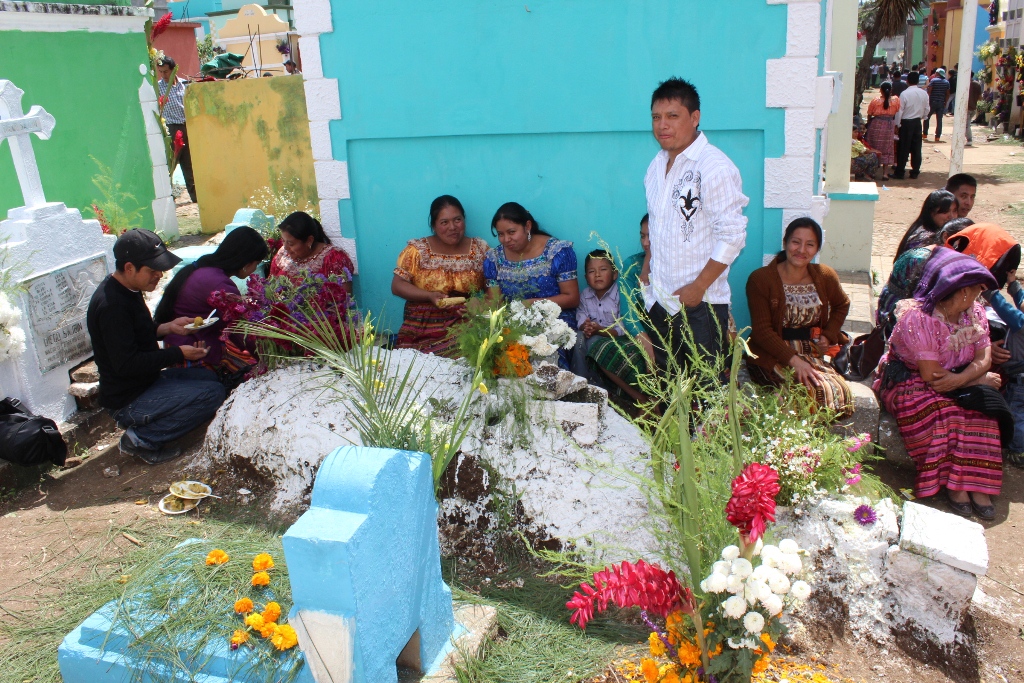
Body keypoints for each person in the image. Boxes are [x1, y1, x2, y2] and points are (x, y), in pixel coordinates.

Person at [873, 248, 1006, 519]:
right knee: (946, 415)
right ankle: (955, 486)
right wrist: (977, 378)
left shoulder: (975, 313)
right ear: (956, 290)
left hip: (957, 379)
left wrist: (963, 378)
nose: (978, 293)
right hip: (912, 381)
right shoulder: (918, 319)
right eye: (973, 288)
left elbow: (984, 356)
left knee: (985, 415)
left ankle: (977, 486)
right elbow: (933, 377)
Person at [87, 229, 226, 464]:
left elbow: (134, 334)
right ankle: (141, 438)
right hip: (128, 398)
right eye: (153, 270)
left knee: (210, 379)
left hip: (147, 382)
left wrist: (168, 328)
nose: (159, 275)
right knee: (212, 394)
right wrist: (177, 353)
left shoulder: (128, 289)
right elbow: (127, 364)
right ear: (130, 268)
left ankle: (150, 425)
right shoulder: (112, 306)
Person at [642, 77, 748, 375]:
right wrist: (648, 268)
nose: (662, 125)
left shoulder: (714, 167)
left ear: (695, 117)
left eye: (672, 116)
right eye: (656, 117)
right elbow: (658, 224)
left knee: (704, 394)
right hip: (662, 300)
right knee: (670, 389)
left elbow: (733, 236)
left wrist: (698, 287)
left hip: (700, 306)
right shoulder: (656, 166)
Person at [746, 218, 852, 415]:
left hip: (811, 354)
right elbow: (761, 331)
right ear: (785, 243)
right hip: (774, 355)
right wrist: (795, 362)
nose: (801, 250)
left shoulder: (825, 275)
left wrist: (828, 335)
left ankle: (815, 445)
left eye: (810, 244)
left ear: (817, 249)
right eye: (796, 242)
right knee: (803, 394)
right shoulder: (761, 279)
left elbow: (842, 304)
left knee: (838, 393)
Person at [154, 227, 268, 373]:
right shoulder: (220, 285)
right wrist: (266, 358)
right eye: (257, 263)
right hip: (193, 352)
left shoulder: (204, 269)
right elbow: (241, 332)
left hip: (177, 344)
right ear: (247, 263)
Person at [483, 202, 579, 367]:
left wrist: (532, 304)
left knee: (544, 354)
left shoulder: (556, 252)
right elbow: (495, 303)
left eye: (512, 232)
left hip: (554, 320)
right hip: (514, 321)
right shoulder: (494, 259)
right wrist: (479, 307)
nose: (506, 239)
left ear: (527, 226)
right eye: (500, 234)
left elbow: (572, 298)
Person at [392, 195, 489, 356]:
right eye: (444, 222)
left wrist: (479, 304)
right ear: (434, 225)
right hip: (423, 323)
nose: (452, 227)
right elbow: (397, 285)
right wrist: (429, 296)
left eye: (457, 220)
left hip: (464, 320)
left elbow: (493, 291)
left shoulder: (480, 249)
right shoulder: (418, 250)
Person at [586, 215, 655, 404]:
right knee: (601, 350)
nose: (646, 243)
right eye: (642, 236)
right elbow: (630, 314)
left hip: (676, 336)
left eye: (651, 236)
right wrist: (647, 347)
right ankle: (643, 401)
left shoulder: (682, 266)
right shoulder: (633, 266)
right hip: (643, 335)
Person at [876, 217, 974, 336]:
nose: (970, 249)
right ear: (945, 237)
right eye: (965, 242)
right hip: (897, 320)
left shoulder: (953, 261)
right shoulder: (920, 259)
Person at [571, 250, 625, 377]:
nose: (597, 275)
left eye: (603, 269)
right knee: (578, 338)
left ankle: (598, 384)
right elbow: (581, 317)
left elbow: (622, 328)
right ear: (586, 278)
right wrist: (586, 326)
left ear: (614, 274)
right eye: (591, 271)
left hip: (613, 337)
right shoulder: (585, 295)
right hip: (592, 333)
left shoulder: (620, 294)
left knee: (593, 341)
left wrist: (600, 331)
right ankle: (580, 379)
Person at [269, 211, 354, 290]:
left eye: (291, 244)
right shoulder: (282, 255)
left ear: (309, 240)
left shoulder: (334, 259)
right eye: (283, 241)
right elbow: (270, 288)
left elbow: (343, 300)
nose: (285, 248)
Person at [156, 56, 197, 203]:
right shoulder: (159, 88)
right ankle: (169, 197)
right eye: (160, 72)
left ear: (173, 70)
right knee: (170, 165)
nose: (163, 75)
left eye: (166, 71)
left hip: (186, 126)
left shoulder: (183, 85)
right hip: (171, 128)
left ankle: (195, 197)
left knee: (189, 164)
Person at [893, 190, 959, 259]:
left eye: (954, 211)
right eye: (945, 212)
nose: (951, 216)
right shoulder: (925, 239)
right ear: (931, 212)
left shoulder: (940, 233)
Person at [893, 72, 929, 180]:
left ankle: (900, 171)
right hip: (917, 122)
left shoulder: (904, 94)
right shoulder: (924, 93)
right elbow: (927, 108)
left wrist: (897, 124)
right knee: (917, 148)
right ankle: (915, 171)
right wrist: (923, 117)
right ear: (918, 81)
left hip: (906, 123)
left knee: (903, 147)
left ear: (907, 81)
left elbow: (900, 111)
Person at [865, 82, 901, 180]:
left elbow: (870, 113)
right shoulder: (896, 100)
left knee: (873, 146)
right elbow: (897, 111)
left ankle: (872, 172)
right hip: (889, 126)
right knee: (888, 148)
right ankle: (885, 173)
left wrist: (868, 124)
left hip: (876, 124)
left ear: (880, 90)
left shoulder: (875, 101)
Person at [924, 67, 951, 141]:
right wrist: (945, 102)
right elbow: (947, 94)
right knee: (939, 120)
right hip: (941, 102)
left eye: (936, 73)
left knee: (927, 117)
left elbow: (929, 91)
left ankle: (925, 134)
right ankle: (937, 136)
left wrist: (927, 101)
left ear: (938, 73)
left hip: (932, 102)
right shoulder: (946, 82)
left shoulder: (933, 80)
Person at [967, 73, 982, 145]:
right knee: (967, 124)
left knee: (966, 125)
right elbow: (980, 97)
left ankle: (969, 140)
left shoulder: (965, 84)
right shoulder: (977, 84)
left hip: (967, 108)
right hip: (973, 107)